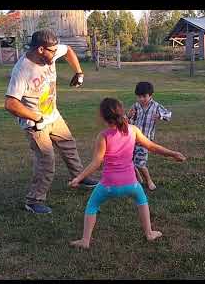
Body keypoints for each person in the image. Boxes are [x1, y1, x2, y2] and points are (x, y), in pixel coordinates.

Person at [69, 98, 186, 249]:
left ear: (103, 117)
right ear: (121, 112)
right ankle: (149, 233)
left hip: (108, 186)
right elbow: (151, 146)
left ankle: (85, 241)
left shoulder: (103, 136)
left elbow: (96, 163)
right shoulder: (133, 130)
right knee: (142, 200)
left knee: (92, 205)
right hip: (131, 184)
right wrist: (173, 153)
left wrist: (78, 178)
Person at [4, 29, 97, 214]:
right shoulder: (22, 70)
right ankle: (34, 200)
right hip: (35, 124)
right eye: (52, 51)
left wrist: (79, 72)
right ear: (40, 49)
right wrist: (36, 117)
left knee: (69, 145)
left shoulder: (50, 53)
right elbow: (10, 103)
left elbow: (68, 50)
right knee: (47, 160)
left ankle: (80, 177)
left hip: (53, 115)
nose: (56, 53)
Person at [127, 81, 172, 191]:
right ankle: (138, 179)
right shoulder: (136, 106)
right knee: (129, 161)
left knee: (140, 163)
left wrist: (160, 116)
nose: (141, 99)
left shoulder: (156, 106)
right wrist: (129, 116)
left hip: (145, 141)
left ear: (150, 95)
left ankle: (149, 180)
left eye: (144, 96)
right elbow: (129, 120)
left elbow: (168, 115)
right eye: (139, 96)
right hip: (132, 139)